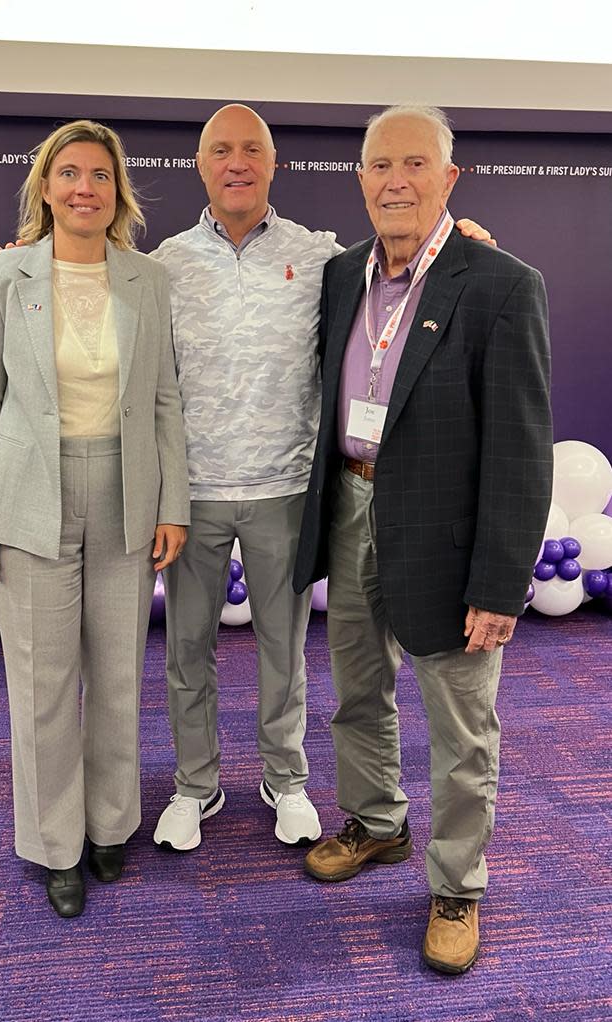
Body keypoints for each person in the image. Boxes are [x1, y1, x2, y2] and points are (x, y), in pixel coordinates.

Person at [149, 103, 495, 853]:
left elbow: (414, 266)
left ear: (274, 165)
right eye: (220, 150)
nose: (236, 162)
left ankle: (287, 780)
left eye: (252, 150)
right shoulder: (163, 264)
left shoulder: (323, 258)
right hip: (192, 493)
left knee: (286, 654)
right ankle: (194, 787)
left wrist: (463, 236)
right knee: (186, 655)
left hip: (288, 492)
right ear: (200, 165)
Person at [293, 105, 553, 974]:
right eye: (377, 165)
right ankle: (374, 824)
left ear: (450, 178)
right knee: (356, 694)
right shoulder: (338, 276)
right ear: (358, 178)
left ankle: (456, 885)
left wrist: (498, 580)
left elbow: (519, 450)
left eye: (414, 164)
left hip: (446, 534)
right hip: (351, 509)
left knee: (460, 725)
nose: (394, 180)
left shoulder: (500, 284)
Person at [0, 120, 190, 918]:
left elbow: (164, 400)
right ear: (46, 187)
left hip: (127, 492)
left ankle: (108, 827)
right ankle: (55, 845)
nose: (84, 188)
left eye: (99, 174)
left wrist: (173, 504)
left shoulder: (147, 280)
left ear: (116, 190)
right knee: (43, 678)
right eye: (68, 174)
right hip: (29, 493)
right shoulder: (1, 272)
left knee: (119, 672)